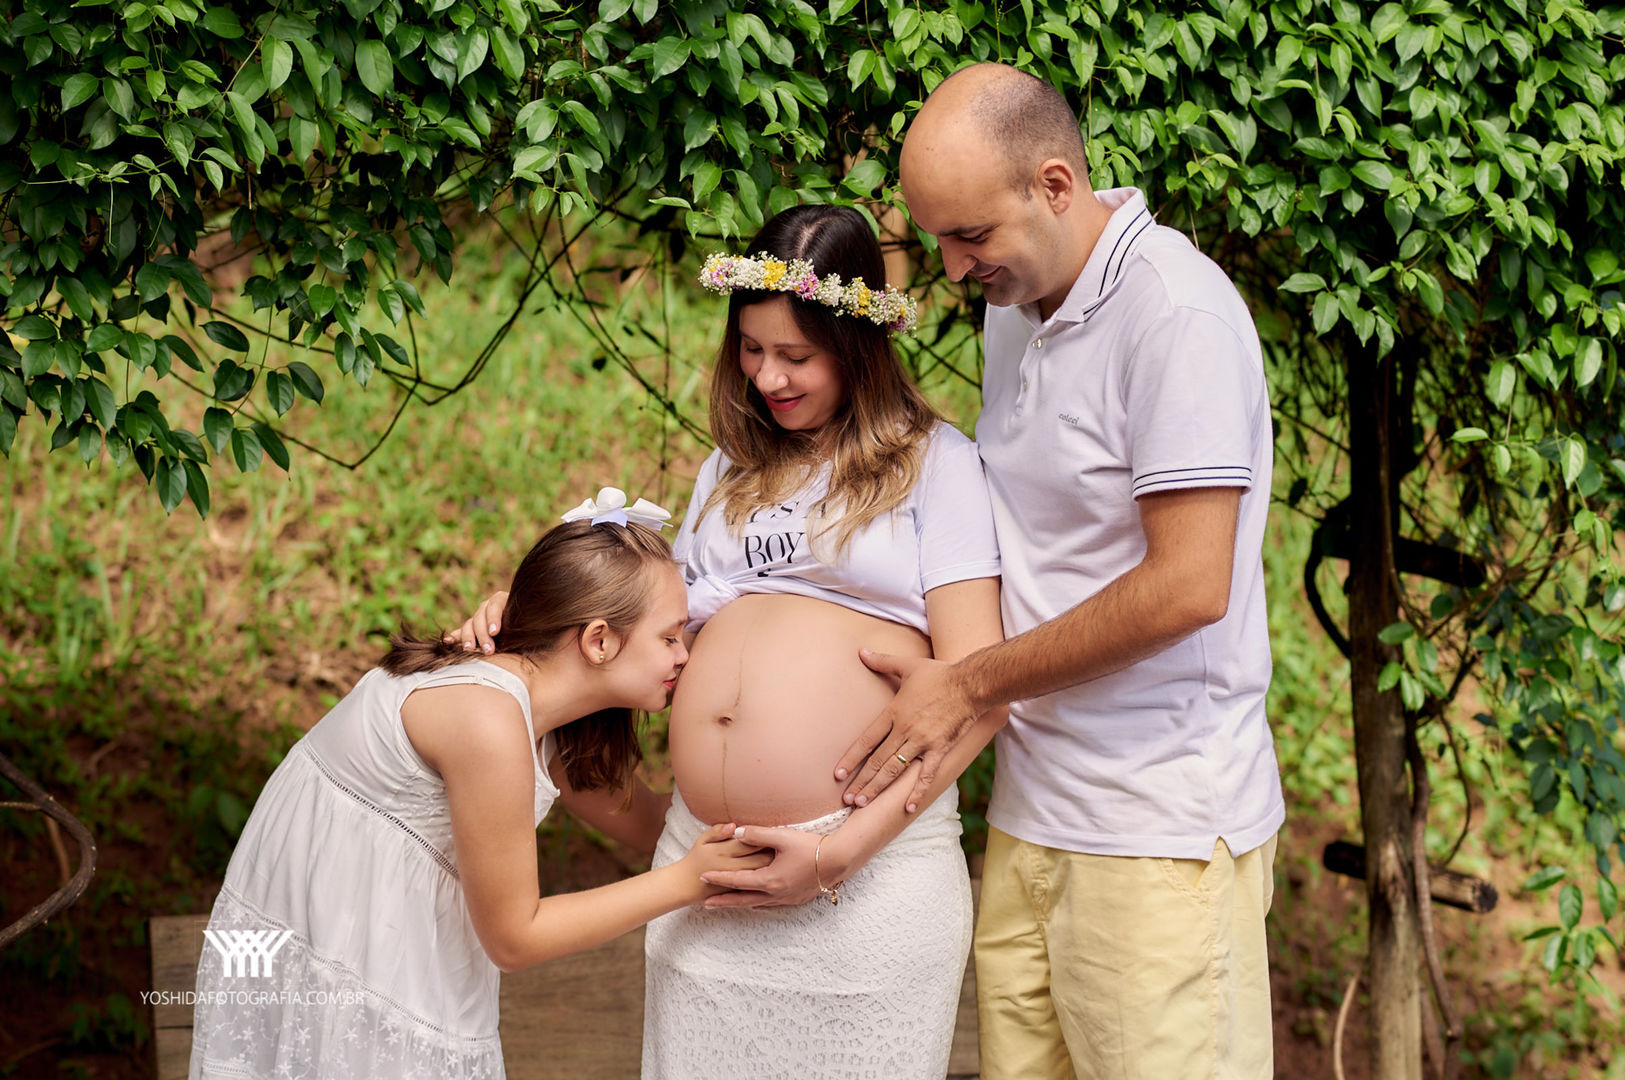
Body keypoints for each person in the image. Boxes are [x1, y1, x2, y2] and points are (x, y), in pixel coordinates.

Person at [453, 204, 1007, 1079]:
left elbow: (978, 692)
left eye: (796, 355)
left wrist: (832, 855)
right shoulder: (730, 468)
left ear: (859, 348)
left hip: (865, 886)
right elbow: (652, 630)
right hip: (705, 877)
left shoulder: (936, 464)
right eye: (751, 349)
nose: (768, 378)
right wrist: (531, 620)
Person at [834, 63, 1284, 1079]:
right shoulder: (1017, 303)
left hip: (1154, 832)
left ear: (1052, 185)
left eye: (970, 236)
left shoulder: (1174, 317)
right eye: (938, 237)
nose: (950, 270)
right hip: (1034, 808)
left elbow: (1186, 586)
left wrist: (967, 682)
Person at [189, 505, 768, 1080]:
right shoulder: (487, 721)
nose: (684, 655)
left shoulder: (550, 722)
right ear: (597, 641)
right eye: (669, 636)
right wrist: (684, 881)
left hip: (393, 943)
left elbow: (651, 827)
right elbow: (516, 938)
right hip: (346, 947)